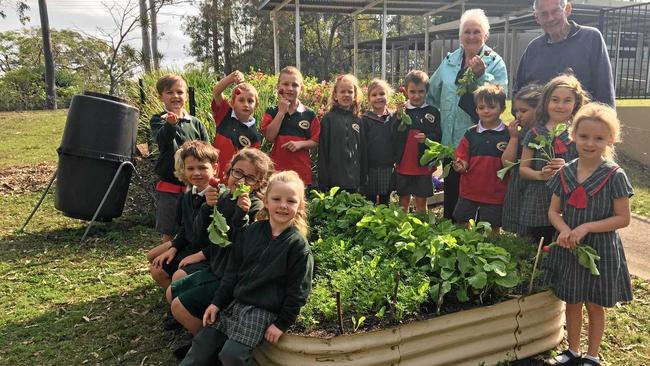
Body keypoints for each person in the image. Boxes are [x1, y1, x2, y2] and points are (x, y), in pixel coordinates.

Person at [180, 170, 314, 366]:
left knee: (231, 355)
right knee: (202, 344)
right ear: (266, 201)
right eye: (276, 199)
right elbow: (232, 272)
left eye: (291, 201)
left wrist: (282, 323)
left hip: (262, 311)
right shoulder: (251, 232)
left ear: (300, 206)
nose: (283, 205)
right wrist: (217, 302)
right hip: (234, 303)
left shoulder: (297, 246)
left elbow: (299, 291)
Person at [544, 103, 633, 366]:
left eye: (599, 138)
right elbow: (553, 211)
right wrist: (565, 230)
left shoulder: (615, 175)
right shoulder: (566, 171)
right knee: (573, 299)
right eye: (583, 136)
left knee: (595, 304)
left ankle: (592, 356)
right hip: (570, 247)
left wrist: (586, 227)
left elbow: (623, 218)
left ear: (611, 139)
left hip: (600, 250)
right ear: (573, 136)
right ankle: (572, 351)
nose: (590, 143)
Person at [426, 8, 508, 220]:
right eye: (467, 32)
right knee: (452, 193)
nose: (471, 36)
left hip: (480, 145)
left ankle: (478, 241)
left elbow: (498, 100)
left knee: (478, 194)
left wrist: (481, 77)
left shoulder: (495, 63)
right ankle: (451, 237)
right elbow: (432, 94)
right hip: (449, 142)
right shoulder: (450, 61)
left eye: (476, 32)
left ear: (486, 35)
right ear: (460, 36)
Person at [520, 74, 589, 245]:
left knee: (564, 244)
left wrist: (568, 168)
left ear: (576, 104)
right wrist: (540, 175)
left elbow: (588, 167)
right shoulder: (535, 133)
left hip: (567, 200)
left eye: (567, 101)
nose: (560, 105)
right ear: (546, 103)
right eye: (555, 100)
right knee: (537, 245)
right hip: (538, 199)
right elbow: (523, 169)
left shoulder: (579, 134)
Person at [148, 74, 209, 254]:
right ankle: (165, 259)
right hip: (170, 186)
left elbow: (207, 150)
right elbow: (162, 140)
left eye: (179, 92)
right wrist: (170, 125)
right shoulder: (158, 120)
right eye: (169, 92)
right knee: (169, 228)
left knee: (193, 225)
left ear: (186, 95)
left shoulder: (195, 122)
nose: (175, 96)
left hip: (193, 187)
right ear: (161, 96)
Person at [513, 0, 615, 107]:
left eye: (555, 11)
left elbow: (605, 89)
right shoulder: (533, 48)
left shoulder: (591, 38)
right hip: (541, 122)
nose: (550, 18)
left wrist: (606, 119)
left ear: (567, 9)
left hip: (580, 121)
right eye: (544, 14)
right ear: (536, 17)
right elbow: (519, 91)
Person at [149, 141, 219, 291]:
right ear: (184, 170)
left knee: (179, 276)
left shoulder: (220, 198)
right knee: (157, 269)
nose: (196, 173)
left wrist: (200, 255)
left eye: (202, 168)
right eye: (191, 168)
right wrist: (174, 248)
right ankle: (175, 299)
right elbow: (184, 229)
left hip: (210, 255)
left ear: (215, 169)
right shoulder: (186, 197)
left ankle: (184, 302)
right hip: (190, 247)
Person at [452, 84, 509, 231]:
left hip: (495, 192)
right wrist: (461, 165)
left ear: (502, 108)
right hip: (469, 189)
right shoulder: (470, 134)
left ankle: (489, 251)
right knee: (463, 223)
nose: (486, 111)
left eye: (491, 107)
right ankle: (466, 248)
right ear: (476, 110)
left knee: (492, 228)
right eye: (481, 107)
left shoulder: (509, 135)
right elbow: (462, 156)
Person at [261, 66, 320, 187]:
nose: (290, 88)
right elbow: (269, 137)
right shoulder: (272, 111)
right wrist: (281, 112)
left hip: (301, 173)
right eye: (286, 84)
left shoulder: (309, 114)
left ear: (301, 88)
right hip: (278, 172)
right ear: (278, 87)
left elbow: (316, 140)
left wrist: (301, 144)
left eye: (295, 85)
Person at [395, 70, 441, 214]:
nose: (416, 95)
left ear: (427, 91)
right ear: (406, 92)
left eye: (421, 91)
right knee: (403, 199)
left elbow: (438, 135)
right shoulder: (401, 111)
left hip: (423, 164)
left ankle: (422, 225)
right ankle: (402, 225)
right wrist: (397, 117)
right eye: (412, 91)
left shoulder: (433, 112)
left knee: (422, 199)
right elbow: (393, 134)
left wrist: (427, 138)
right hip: (404, 163)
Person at [501, 84, 543, 235]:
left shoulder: (542, 133)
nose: (518, 115)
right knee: (520, 230)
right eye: (516, 111)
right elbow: (506, 163)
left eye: (523, 111)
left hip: (534, 189)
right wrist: (513, 138)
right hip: (518, 186)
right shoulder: (521, 133)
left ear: (539, 109)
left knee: (532, 229)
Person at [211, 71, 262, 181]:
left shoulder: (255, 135)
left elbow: (252, 164)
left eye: (250, 101)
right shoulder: (224, 114)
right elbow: (216, 91)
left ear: (256, 105)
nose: (246, 104)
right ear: (232, 102)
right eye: (241, 100)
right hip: (215, 179)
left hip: (236, 183)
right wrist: (231, 77)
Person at [317, 74, 364, 193]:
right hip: (334, 181)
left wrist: (363, 176)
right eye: (342, 91)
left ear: (355, 96)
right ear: (335, 95)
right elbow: (323, 151)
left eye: (350, 91)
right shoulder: (328, 119)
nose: (346, 94)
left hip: (354, 180)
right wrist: (324, 181)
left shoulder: (358, 120)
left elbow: (363, 150)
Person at [360, 78, 398, 205]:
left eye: (382, 94)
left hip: (387, 166)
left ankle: (384, 223)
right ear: (369, 98)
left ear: (388, 95)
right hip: (370, 167)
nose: (378, 97)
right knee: (369, 200)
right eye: (374, 95)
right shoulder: (365, 119)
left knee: (385, 200)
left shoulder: (393, 117)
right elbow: (362, 145)